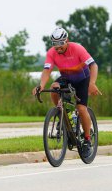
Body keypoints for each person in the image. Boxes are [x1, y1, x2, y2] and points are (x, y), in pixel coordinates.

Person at [32, 27, 102, 157]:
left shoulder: (77, 48)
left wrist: (92, 83)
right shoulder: (52, 53)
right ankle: (61, 113)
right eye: (54, 44)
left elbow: (94, 65)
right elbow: (47, 70)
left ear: (67, 40)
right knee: (54, 87)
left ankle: (87, 140)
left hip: (82, 79)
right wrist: (41, 85)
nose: (58, 47)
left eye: (60, 44)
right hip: (67, 78)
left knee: (81, 109)